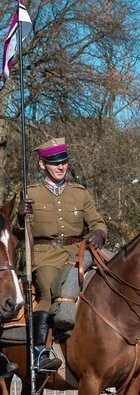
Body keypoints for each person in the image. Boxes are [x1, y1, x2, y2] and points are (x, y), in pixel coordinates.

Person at [15, 137, 107, 373]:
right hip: (46, 256)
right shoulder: (30, 193)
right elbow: (15, 234)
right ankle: (40, 351)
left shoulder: (79, 193)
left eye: (64, 161)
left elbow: (98, 222)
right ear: (42, 164)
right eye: (54, 162)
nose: (61, 166)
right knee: (48, 289)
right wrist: (19, 218)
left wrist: (98, 233)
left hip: (78, 253)